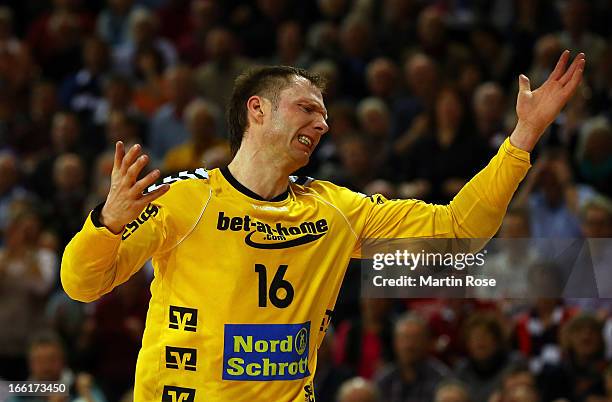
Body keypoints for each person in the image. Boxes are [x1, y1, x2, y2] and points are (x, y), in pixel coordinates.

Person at [61, 51, 585, 401]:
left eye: (326, 114)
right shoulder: (185, 200)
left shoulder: (336, 210)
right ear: (257, 110)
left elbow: (459, 230)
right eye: (308, 108)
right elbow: (82, 285)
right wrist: (105, 224)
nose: (324, 123)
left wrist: (523, 137)